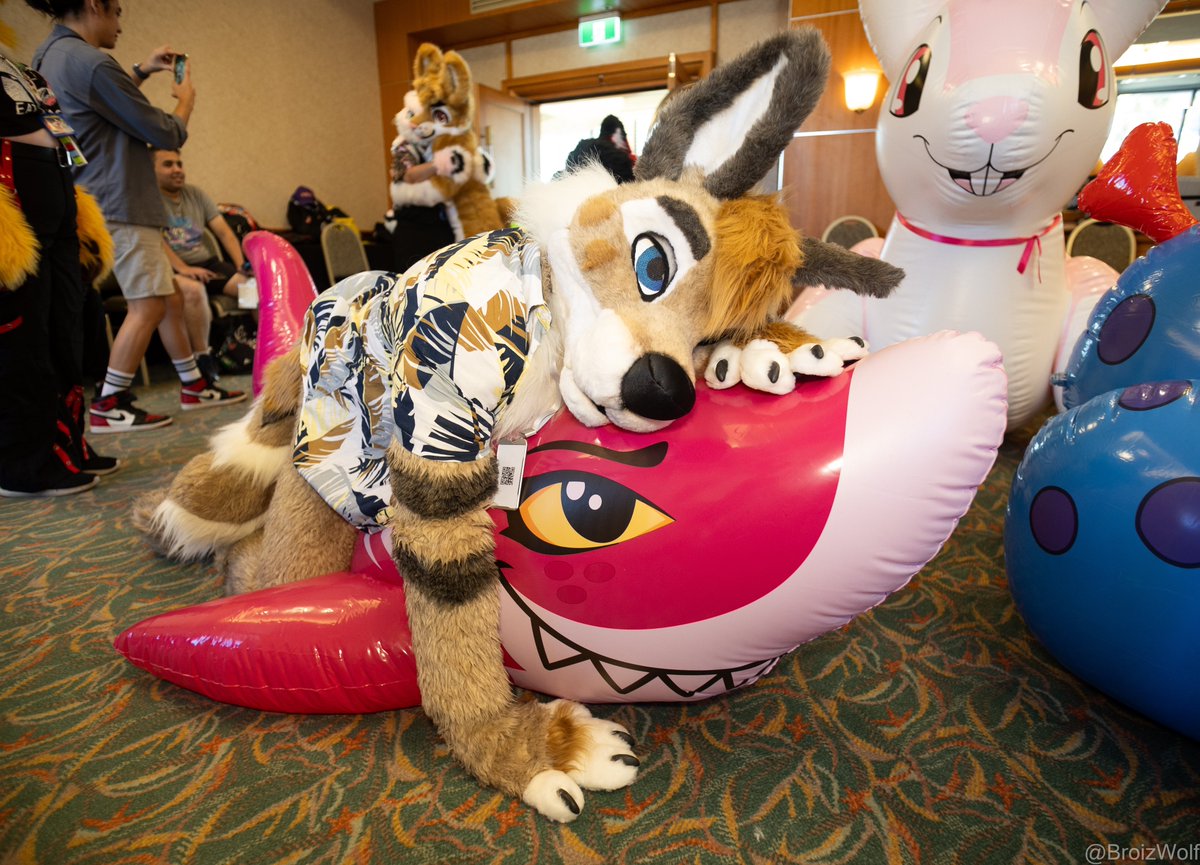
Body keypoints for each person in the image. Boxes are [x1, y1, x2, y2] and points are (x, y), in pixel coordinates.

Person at [30, 0, 243, 436]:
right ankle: (110, 401)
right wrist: (185, 101)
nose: (120, 25)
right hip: (120, 201)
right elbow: (165, 132)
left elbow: (99, 104)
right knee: (147, 305)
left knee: (165, 300)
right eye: (118, 12)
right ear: (94, 6)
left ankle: (193, 382)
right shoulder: (91, 62)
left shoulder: (48, 56)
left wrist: (141, 72)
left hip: (92, 199)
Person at [0, 31, 118, 496]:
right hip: (15, 208)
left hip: (57, 202)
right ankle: (21, 463)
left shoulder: (17, 65)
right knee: (23, 342)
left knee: (67, 330)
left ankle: (65, 445)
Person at [153, 146, 250, 381]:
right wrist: (184, 269)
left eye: (179, 164)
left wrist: (241, 265)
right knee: (194, 292)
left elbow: (225, 233)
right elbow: (156, 241)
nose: (177, 169)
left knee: (252, 289)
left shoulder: (195, 194)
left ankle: (260, 347)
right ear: (150, 170)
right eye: (168, 164)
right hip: (171, 268)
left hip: (207, 264)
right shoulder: (147, 199)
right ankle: (203, 360)